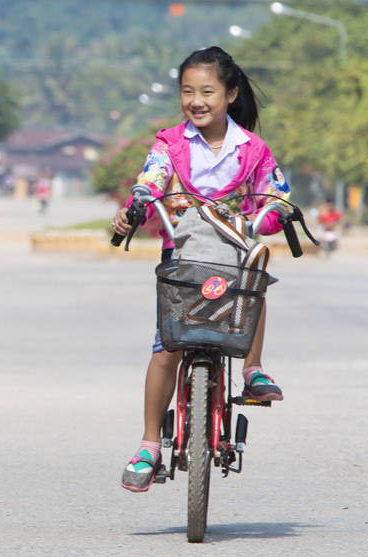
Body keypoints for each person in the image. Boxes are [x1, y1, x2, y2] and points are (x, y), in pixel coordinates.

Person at [111, 47, 291, 493]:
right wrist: (137, 204)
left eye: (207, 91)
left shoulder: (253, 150)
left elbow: (276, 197)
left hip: (232, 252)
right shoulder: (169, 143)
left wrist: (274, 215)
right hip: (183, 256)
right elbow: (151, 180)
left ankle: (254, 369)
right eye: (188, 91)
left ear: (230, 94)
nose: (197, 100)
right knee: (166, 350)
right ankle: (149, 444)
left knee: (254, 273)